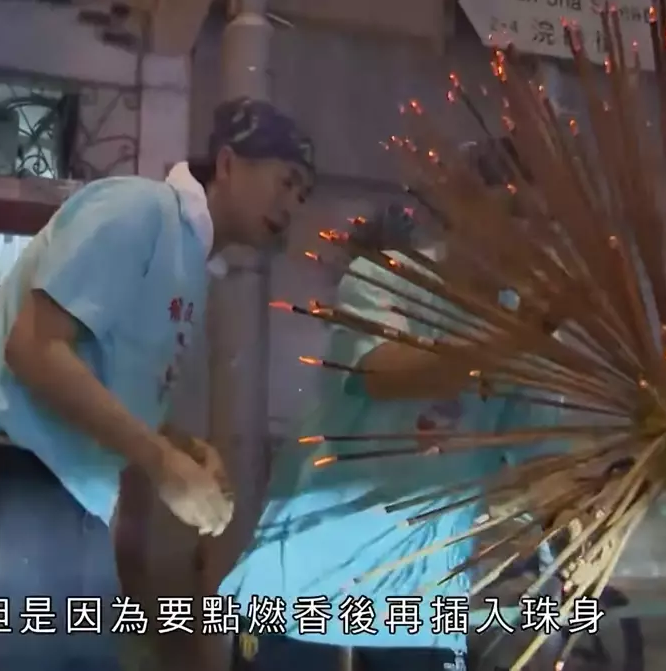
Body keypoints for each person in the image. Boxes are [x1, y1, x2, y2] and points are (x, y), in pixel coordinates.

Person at [0, 97, 315, 671]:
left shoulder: (193, 267)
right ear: (228, 163)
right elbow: (34, 349)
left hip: (73, 494)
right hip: (3, 470)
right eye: (286, 181)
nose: (291, 204)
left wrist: (179, 447)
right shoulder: (138, 209)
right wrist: (160, 462)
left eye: (302, 194)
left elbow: (105, 386)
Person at [220, 201, 566, 671]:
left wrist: (585, 508)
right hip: (304, 586)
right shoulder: (387, 278)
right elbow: (385, 375)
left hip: (423, 603)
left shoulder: (526, 330)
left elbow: (542, 459)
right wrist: (515, 340)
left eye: (541, 226)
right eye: (512, 212)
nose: (527, 240)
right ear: (462, 205)